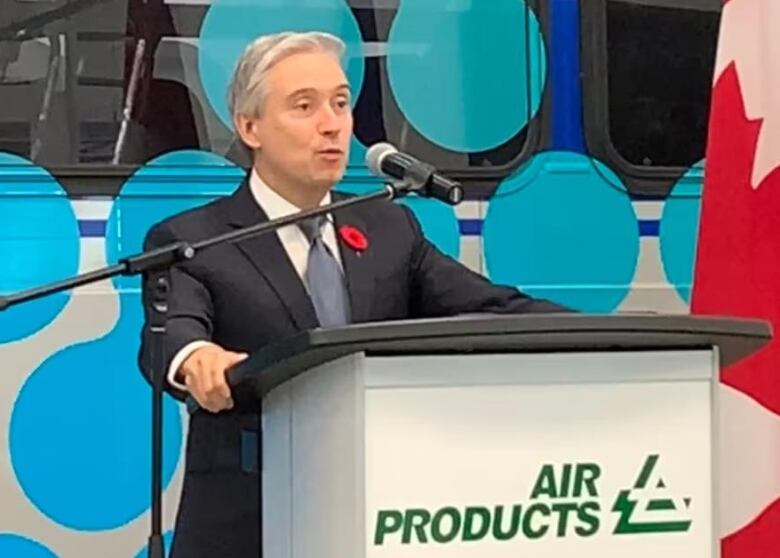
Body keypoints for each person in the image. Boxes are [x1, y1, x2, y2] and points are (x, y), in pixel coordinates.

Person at [138, 31, 567, 558]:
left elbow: (491, 306)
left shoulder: (388, 228)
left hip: (378, 516)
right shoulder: (194, 240)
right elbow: (170, 333)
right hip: (249, 524)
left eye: (341, 103)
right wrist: (196, 358)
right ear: (250, 127)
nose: (332, 124)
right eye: (304, 105)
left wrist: (613, 336)